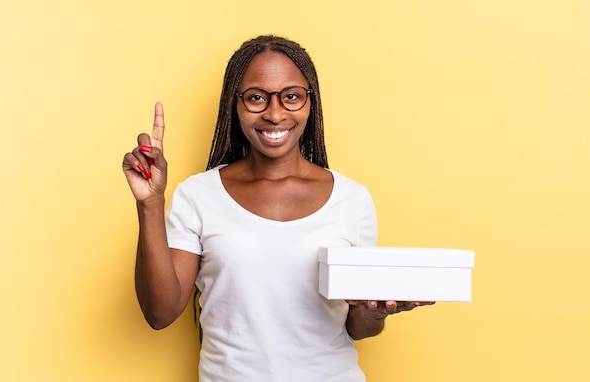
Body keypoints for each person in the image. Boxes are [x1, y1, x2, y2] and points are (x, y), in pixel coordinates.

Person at [122, 35, 433, 382]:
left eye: (291, 97)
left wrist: (377, 313)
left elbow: (356, 327)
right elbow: (159, 313)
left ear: (309, 102)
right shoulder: (198, 195)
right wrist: (150, 204)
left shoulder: (352, 199)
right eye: (256, 98)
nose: (274, 113)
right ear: (234, 105)